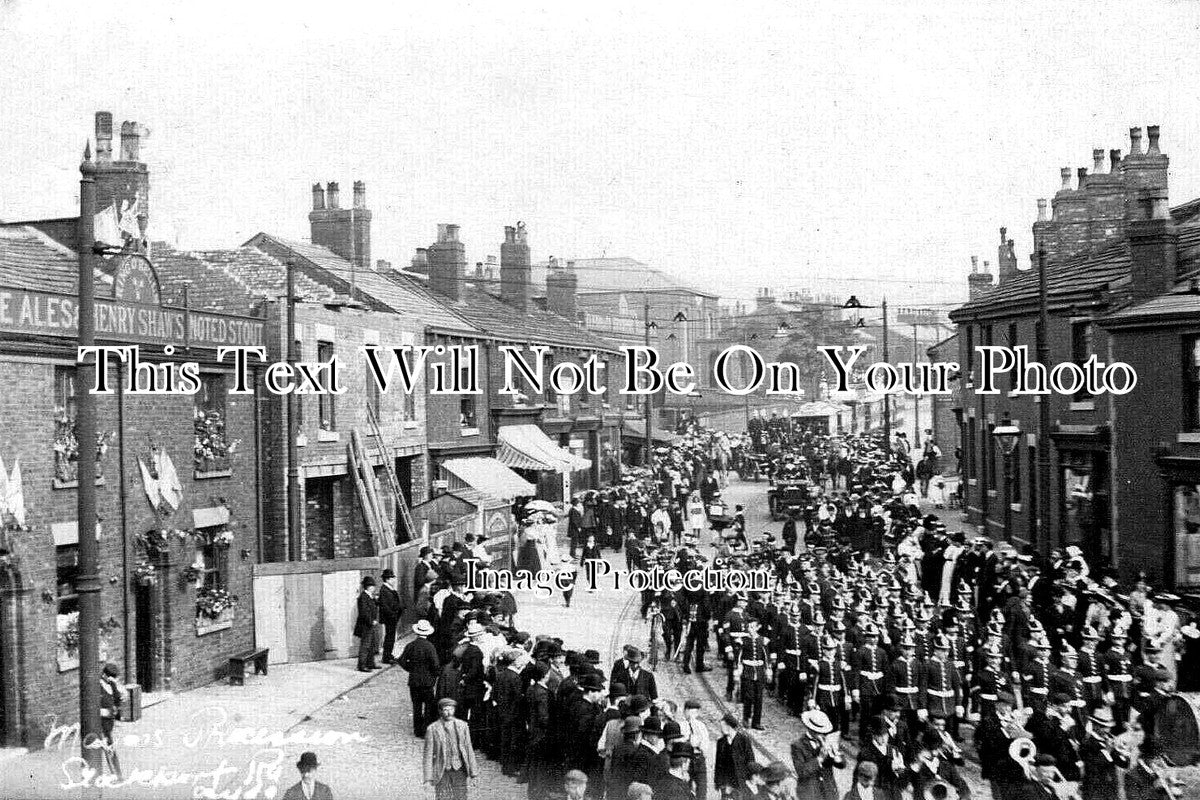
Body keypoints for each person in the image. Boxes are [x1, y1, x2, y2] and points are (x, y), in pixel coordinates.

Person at [424, 698, 479, 800]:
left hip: (459, 770)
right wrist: (427, 779)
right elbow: (428, 756)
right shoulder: (432, 729)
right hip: (442, 770)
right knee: (443, 797)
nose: (449, 713)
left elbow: (469, 749)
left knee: (461, 797)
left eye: (451, 709)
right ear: (440, 711)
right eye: (445, 710)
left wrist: (474, 774)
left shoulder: (463, 726)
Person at [399, 619, 441, 737]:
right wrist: (435, 674)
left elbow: (401, 660)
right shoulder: (430, 647)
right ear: (428, 633)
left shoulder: (411, 645)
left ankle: (417, 730)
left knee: (416, 706)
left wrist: (410, 668)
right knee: (428, 706)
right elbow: (435, 664)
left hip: (414, 681)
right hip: (427, 682)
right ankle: (426, 729)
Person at [791, 709, 843, 800]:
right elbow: (801, 772)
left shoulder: (827, 740)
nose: (822, 734)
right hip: (810, 792)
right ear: (810, 729)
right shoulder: (797, 746)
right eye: (818, 731)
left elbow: (841, 765)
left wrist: (835, 754)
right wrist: (819, 759)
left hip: (828, 790)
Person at [714, 713, 754, 799]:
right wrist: (718, 782)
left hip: (740, 782)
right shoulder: (721, 742)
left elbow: (751, 761)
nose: (721, 728)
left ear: (729, 726)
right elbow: (718, 764)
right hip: (726, 783)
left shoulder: (744, 740)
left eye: (722, 726)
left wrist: (751, 780)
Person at [98, 663, 125, 779]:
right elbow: (93, 708)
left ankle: (116, 774)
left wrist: (116, 708)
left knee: (107, 746)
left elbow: (117, 699)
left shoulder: (112, 684)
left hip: (109, 722)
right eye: (111, 677)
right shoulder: (97, 686)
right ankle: (116, 774)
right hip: (100, 721)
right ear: (104, 675)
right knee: (106, 746)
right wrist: (109, 711)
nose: (113, 680)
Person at [354, 576, 380, 672]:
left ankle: (370, 663)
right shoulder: (363, 597)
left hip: (371, 624)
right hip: (365, 625)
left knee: (372, 644)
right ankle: (362, 665)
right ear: (368, 587)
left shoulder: (369, 596)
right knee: (365, 645)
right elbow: (364, 612)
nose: (374, 588)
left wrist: (376, 600)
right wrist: (371, 621)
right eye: (372, 586)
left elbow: (374, 606)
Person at [379, 568, 403, 664]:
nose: (394, 580)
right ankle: (386, 656)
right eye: (392, 578)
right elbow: (385, 606)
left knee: (391, 637)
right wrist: (393, 615)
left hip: (393, 617)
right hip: (390, 618)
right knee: (389, 637)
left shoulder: (389, 589)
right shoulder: (384, 590)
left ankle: (389, 654)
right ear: (387, 579)